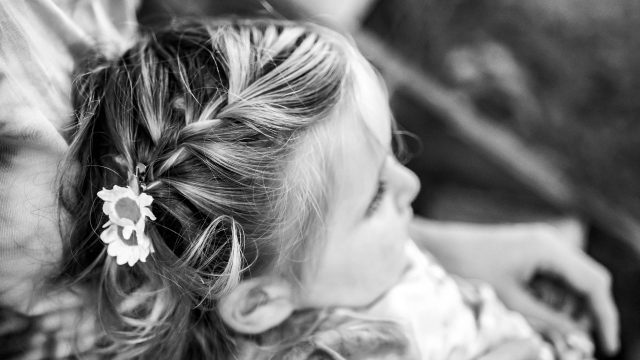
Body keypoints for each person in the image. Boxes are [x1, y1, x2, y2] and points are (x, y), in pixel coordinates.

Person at [52, 17, 607, 359]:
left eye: (393, 157)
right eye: (374, 199)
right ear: (263, 302)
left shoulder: (318, 265)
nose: (411, 184)